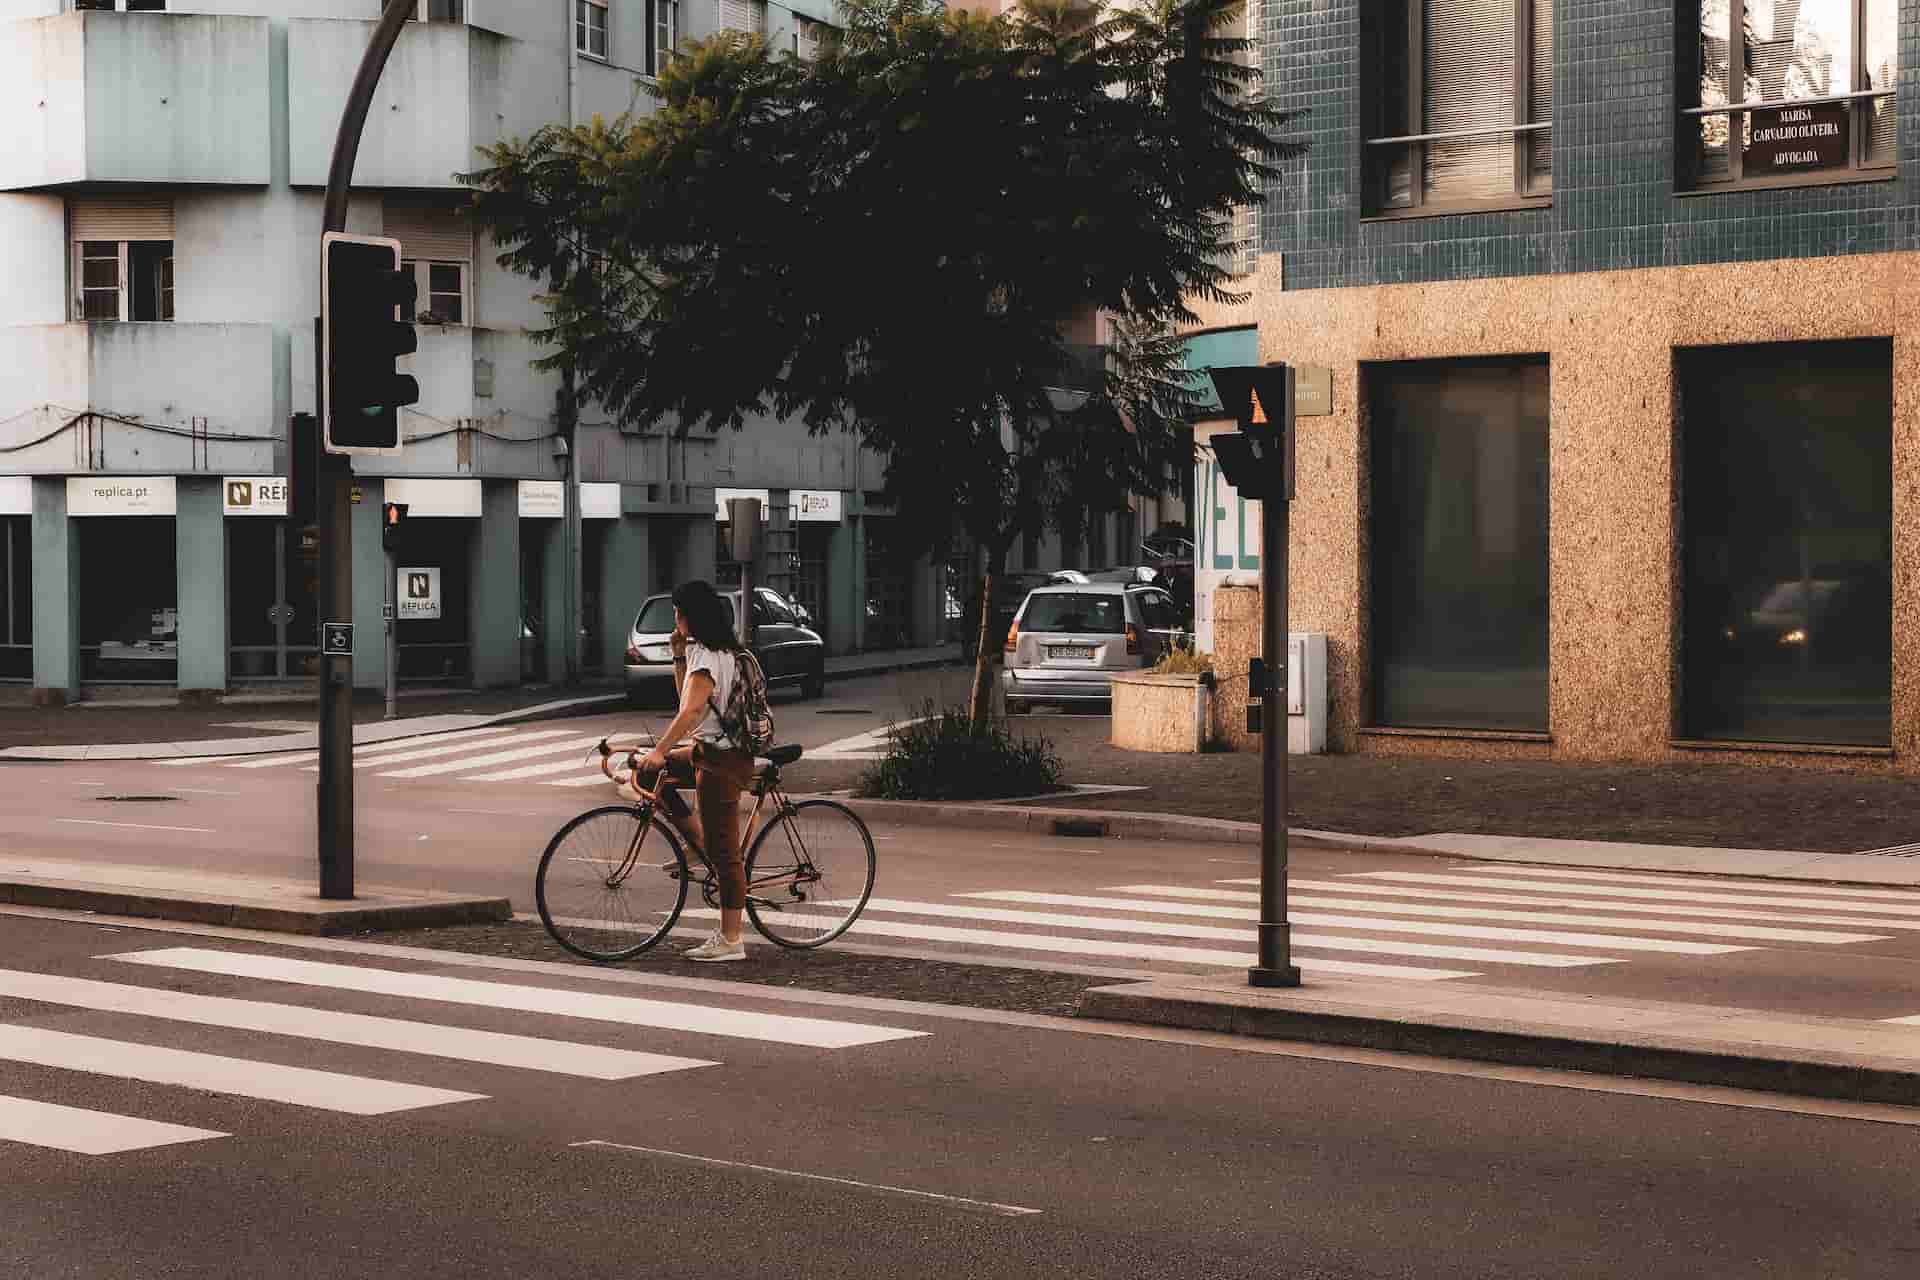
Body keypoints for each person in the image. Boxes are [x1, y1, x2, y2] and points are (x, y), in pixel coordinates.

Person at [632, 580, 759, 962]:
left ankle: (732, 939)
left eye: (677, 611)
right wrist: (677, 655)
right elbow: (686, 702)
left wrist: (659, 749)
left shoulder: (709, 659)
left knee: (725, 855)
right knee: (651, 775)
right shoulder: (717, 652)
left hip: (722, 760)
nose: (674, 618)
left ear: (690, 616)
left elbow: (689, 714)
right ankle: (695, 843)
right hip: (710, 751)